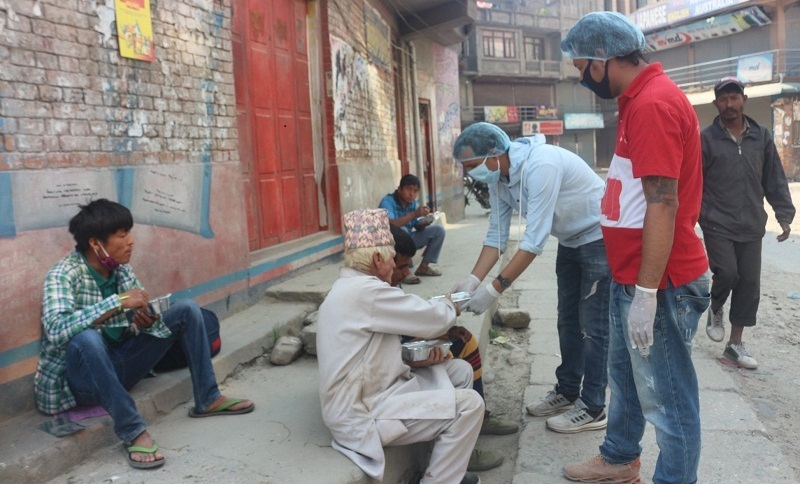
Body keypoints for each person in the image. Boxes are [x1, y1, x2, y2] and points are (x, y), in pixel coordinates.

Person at [559, 12, 710, 483]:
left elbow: (663, 204)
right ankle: (619, 459)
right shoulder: (636, 99)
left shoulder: (653, 105)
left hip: (659, 283)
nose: (581, 77)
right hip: (634, 276)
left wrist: (646, 293)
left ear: (603, 60)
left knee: (668, 400)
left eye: (582, 67)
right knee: (624, 378)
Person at [35, 199, 254, 469]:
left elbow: (133, 322)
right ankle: (133, 430)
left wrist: (146, 322)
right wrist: (116, 302)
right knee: (87, 338)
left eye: (129, 233)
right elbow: (56, 329)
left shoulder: (121, 269)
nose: (131, 241)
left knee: (186, 309)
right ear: (96, 243)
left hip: (121, 365)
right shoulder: (62, 274)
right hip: (83, 382)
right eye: (122, 235)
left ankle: (208, 398)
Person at [450, 122, 612, 434]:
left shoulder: (542, 164)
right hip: (570, 240)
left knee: (593, 325)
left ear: (494, 154)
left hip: (598, 239)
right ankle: (568, 391)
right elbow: (497, 234)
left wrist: (493, 291)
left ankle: (593, 406)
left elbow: (533, 243)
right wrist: (472, 281)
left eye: (472, 165)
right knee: (567, 320)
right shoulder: (500, 177)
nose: (470, 174)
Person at [317, 209, 484, 484]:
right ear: (377, 258)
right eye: (393, 259)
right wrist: (451, 303)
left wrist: (410, 360)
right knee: (470, 405)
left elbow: (370, 354)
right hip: (362, 410)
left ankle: (445, 467)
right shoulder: (366, 292)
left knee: (460, 371)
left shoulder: (352, 287)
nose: (396, 267)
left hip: (373, 390)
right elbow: (434, 319)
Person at [390, 225, 511, 473]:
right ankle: (463, 443)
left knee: (465, 345)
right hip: (385, 387)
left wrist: (443, 332)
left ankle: (475, 425)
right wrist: (446, 312)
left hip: (397, 362)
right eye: (401, 266)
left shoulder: (390, 288)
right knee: (460, 371)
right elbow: (398, 339)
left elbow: (404, 325)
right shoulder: (375, 293)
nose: (407, 272)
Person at [701, 77, 796, 369]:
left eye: (734, 98)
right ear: (716, 103)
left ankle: (735, 344)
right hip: (716, 221)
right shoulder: (706, 138)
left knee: (749, 285)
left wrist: (783, 214)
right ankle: (715, 307)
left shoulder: (762, 136)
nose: (729, 105)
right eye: (723, 99)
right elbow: (694, 181)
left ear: (743, 98)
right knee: (727, 273)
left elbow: (774, 178)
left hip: (753, 223)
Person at [379, 174, 446, 283]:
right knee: (403, 231)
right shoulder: (387, 202)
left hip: (409, 239)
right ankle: (405, 271)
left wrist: (425, 222)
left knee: (439, 231)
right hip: (390, 243)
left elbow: (416, 226)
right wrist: (414, 214)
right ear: (399, 189)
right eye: (408, 189)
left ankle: (423, 267)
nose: (412, 194)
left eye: (415, 191)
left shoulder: (412, 203)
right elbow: (392, 225)